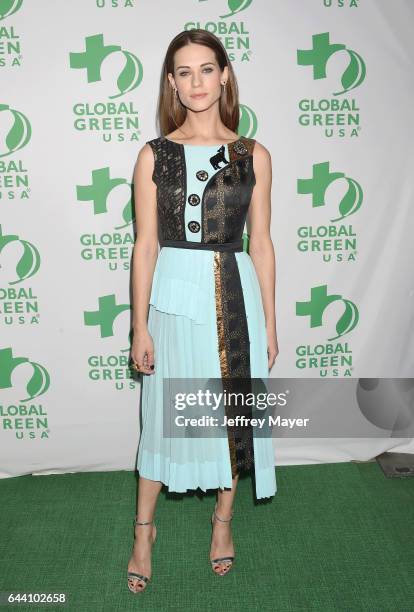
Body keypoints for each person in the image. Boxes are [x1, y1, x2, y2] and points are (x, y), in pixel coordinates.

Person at [127, 28, 279, 593]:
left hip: (232, 290)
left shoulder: (253, 154)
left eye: (206, 69)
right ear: (172, 82)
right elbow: (146, 245)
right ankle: (144, 531)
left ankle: (222, 524)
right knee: (162, 417)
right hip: (173, 293)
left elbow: (260, 243)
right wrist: (139, 323)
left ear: (224, 76)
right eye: (184, 72)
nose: (196, 82)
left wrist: (270, 319)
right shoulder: (153, 155)